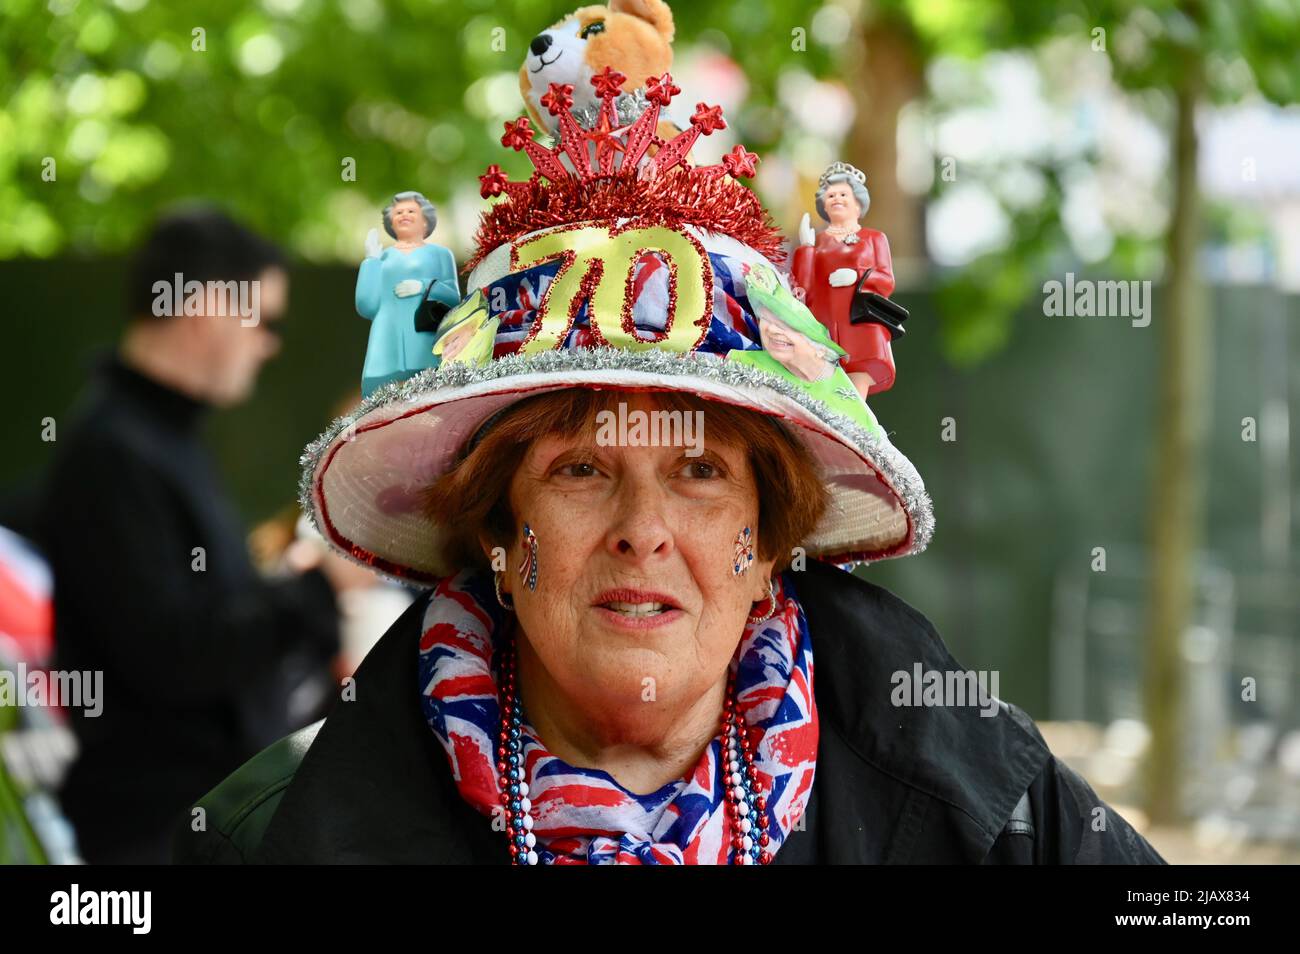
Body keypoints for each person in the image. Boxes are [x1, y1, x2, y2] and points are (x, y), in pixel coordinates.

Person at [176, 80, 1165, 865]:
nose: (641, 530)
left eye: (697, 470)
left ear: (773, 536)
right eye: (578, 470)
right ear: (493, 527)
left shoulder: (975, 795)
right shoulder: (271, 835)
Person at [39, 206, 349, 864]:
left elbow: (201, 618)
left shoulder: (158, 437)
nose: (270, 344)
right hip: (161, 840)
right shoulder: (115, 452)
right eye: (264, 320)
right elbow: (174, 656)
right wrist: (317, 589)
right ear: (207, 304)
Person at [791, 161, 898, 400]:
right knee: (824, 383)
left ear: (857, 202)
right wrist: (806, 247)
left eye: (843, 194)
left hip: (859, 322)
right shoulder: (817, 241)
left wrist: (857, 276)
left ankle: (857, 423)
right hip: (825, 320)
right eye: (830, 195)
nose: (836, 199)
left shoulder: (874, 238)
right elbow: (801, 288)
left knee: (857, 383)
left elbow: (886, 280)